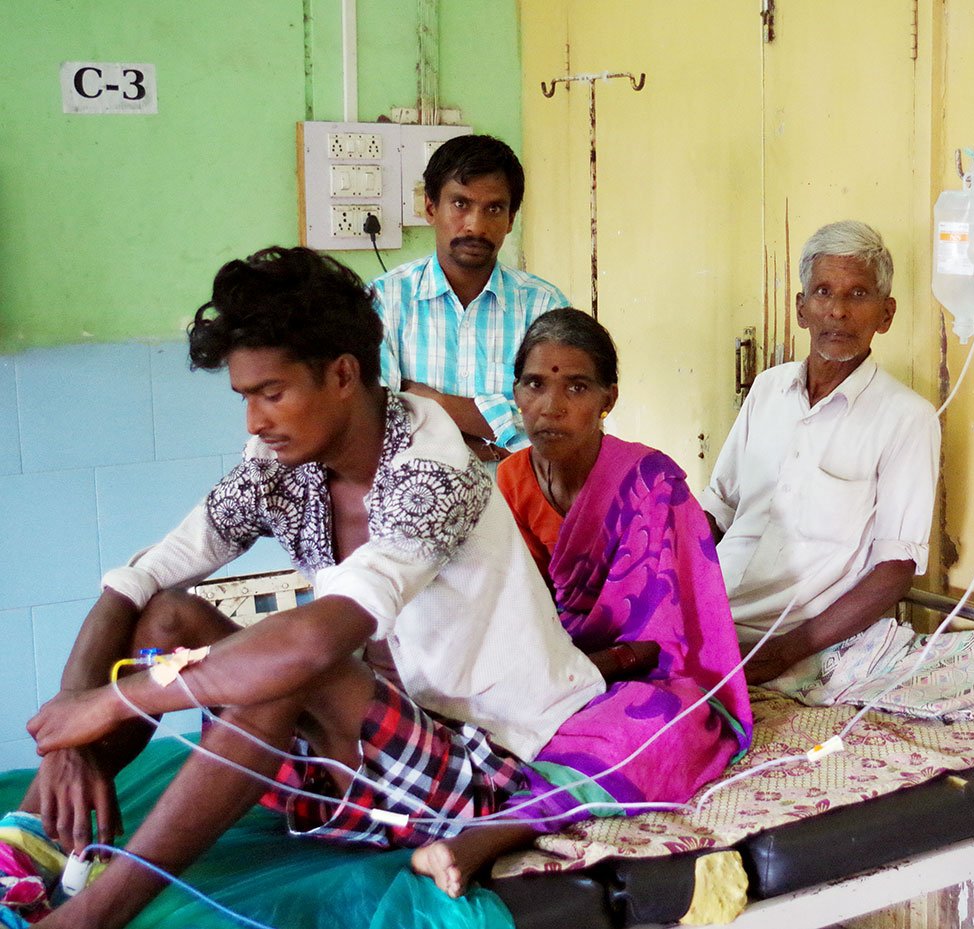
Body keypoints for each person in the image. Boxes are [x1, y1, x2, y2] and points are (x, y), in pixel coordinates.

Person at [14, 247, 605, 929]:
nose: (255, 421)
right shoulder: (278, 463)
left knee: (294, 661)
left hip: (476, 765)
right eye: (246, 398)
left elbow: (319, 641)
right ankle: (29, 836)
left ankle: (92, 916)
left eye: (272, 393)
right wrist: (71, 730)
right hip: (353, 758)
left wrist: (119, 699)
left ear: (344, 375)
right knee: (170, 617)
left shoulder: (436, 469)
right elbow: (144, 575)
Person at [411, 308, 754, 898]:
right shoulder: (503, 486)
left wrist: (580, 672)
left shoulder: (652, 481)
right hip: (544, 667)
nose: (551, 405)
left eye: (577, 386)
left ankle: (491, 833)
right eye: (535, 384)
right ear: (515, 393)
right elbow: (498, 619)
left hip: (639, 676)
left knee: (658, 733)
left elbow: (661, 643)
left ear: (607, 399)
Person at [698, 221, 940, 686]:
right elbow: (717, 507)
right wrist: (662, 591)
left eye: (858, 294)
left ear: (885, 315)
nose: (838, 312)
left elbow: (894, 569)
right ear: (801, 308)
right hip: (708, 618)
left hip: (786, 639)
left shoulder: (907, 418)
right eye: (824, 292)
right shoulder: (769, 388)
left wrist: (780, 654)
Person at [373, 133, 570, 463]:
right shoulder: (385, 301)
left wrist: (436, 403)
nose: (476, 226)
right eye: (461, 204)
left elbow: (557, 417)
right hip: (418, 506)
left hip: (520, 505)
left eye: (494, 208)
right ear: (431, 208)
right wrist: (498, 443)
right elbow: (377, 423)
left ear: (510, 220)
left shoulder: (543, 307)